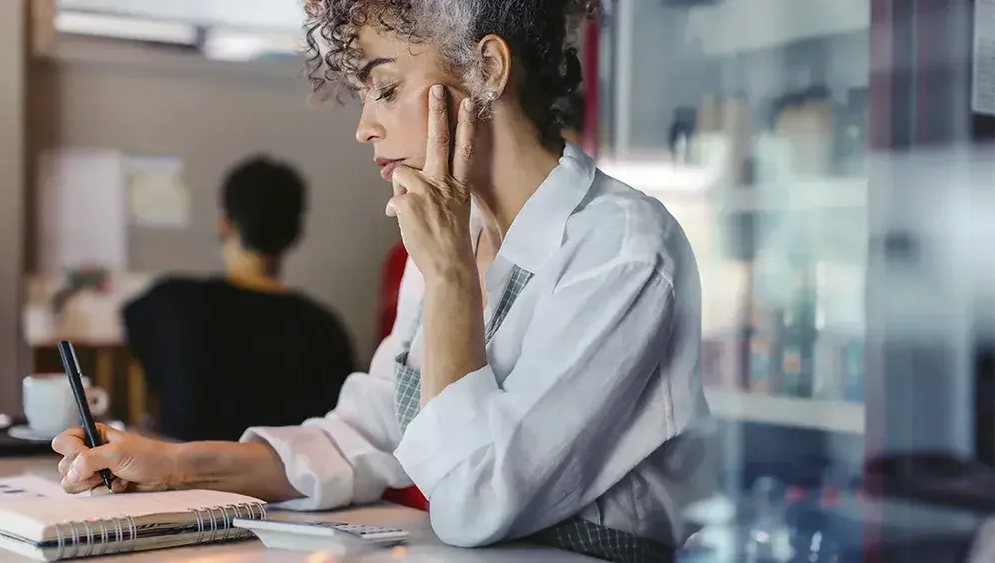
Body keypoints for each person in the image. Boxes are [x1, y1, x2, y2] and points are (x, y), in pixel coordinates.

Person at [53, 1, 711, 561]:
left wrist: (452, 275)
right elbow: (362, 437)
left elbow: (473, 499)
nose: (365, 125)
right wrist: (172, 465)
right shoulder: (455, 230)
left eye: (386, 88)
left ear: (487, 70)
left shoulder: (622, 249)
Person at [121, 155, 355, 441]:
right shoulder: (325, 331)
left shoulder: (170, 303)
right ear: (296, 234)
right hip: (283, 483)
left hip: (183, 476)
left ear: (224, 224)